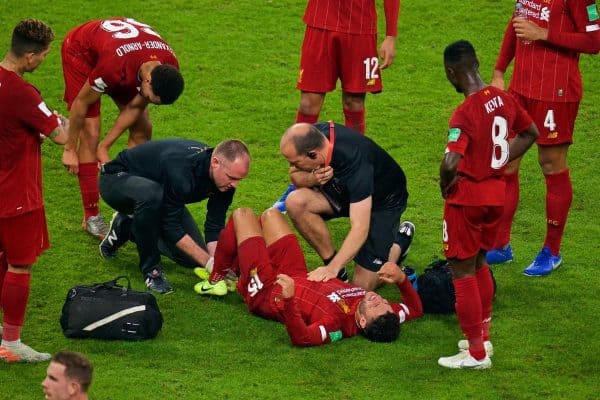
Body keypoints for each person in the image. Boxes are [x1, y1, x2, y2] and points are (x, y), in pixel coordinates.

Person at [438, 40, 538, 369]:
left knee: (461, 269)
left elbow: (452, 160)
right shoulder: (504, 99)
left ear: (452, 72)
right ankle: (483, 337)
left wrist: (445, 186)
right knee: (480, 262)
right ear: (477, 64)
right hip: (497, 195)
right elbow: (531, 132)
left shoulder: (464, 112)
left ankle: (476, 355)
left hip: (467, 200)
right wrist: (500, 158)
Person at [195, 208, 422, 347]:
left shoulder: (336, 326)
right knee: (271, 215)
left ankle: (216, 279)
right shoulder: (388, 317)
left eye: (376, 306)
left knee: (242, 215)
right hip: (295, 273)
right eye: (385, 303)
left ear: (363, 322)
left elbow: (302, 338)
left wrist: (290, 300)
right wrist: (402, 280)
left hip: (268, 291)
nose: (378, 299)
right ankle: (235, 270)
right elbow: (415, 309)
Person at [486, 0, 600, 276]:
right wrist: (500, 70)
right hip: (520, 90)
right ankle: (501, 244)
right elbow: (516, 25)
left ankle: (552, 250)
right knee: (505, 162)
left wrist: (545, 34)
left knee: (551, 165)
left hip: (556, 93)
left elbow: (594, 41)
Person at [60, 17, 185, 239]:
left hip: (122, 54)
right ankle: (91, 217)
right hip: (82, 53)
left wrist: (105, 147)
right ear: (146, 81)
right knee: (91, 129)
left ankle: (128, 204)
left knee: (142, 128)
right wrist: (70, 148)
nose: (149, 101)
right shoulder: (113, 68)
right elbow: (81, 102)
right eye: (151, 98)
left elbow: (135, 107)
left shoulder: (168, 66)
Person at [272, 0, 401, 211]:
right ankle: (297, 182)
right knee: (308, 104)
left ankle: (353, 176)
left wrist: (390, 35)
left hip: (360, 25)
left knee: (354, 102)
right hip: (321, 20)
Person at [0, 19, 70, 362]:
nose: (43, 61)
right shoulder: (22, 93)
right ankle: (11, 345)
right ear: (29, 56)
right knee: (20, 265)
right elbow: (62, 135)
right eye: (43, 55)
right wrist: (62, 124)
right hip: (14, 195)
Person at [98, 139, 250, 294]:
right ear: (215, 163)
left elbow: (214, 224)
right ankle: (151, 270)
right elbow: (172, 227)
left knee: (192, 259)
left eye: (239, 179)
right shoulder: (181, 169)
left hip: (159, 196)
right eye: (232, 178)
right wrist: (208, 262)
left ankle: (127, 226)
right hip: (115, 180)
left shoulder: (226, 181)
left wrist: (218, 265)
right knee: (151, 195)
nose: (235, 185)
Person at [279, 122, 414, 291]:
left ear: (313, 155)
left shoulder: (356, 164)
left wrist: (330, 270)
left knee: (360, 287)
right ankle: (336, 268)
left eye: (296, 162)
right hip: (347, 191)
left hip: (383, 202)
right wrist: (311, 179)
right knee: (295, 202)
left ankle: (398, 246)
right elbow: (295, 176)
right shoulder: (314, 137)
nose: (294, 166)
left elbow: (360, 228)